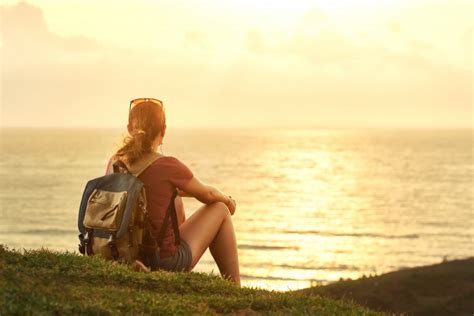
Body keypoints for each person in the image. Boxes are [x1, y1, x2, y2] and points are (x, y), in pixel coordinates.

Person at [105, 98, 240, 285]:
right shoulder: (167, 165)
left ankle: (145, 265)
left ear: (129, 128)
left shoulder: (115, 161)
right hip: (161, 261)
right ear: (163, 130)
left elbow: (152, 190)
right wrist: (227, 199)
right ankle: (234, 286)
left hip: (120, 252)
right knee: (220, 209)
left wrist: (176, 191)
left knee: (175, 200)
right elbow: (207, 195)